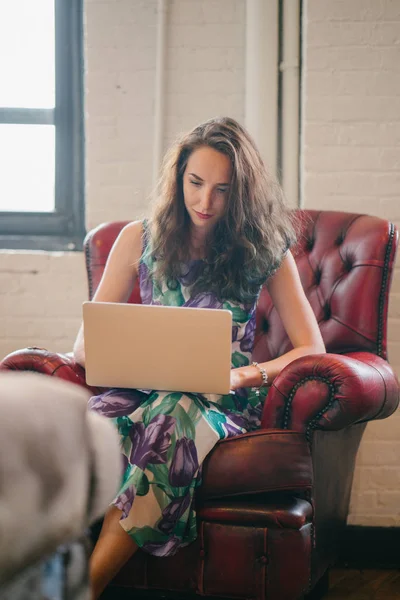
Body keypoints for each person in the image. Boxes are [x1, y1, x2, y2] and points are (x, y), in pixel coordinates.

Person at [73, 116, 325, 599]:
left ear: (242, 194)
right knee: (95, 420)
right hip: (141, 391)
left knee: (174, 414)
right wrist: (124, 363)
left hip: (220, 402)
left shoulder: (266, 250)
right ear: (178, 178)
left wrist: (241, 375)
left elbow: (311, 347)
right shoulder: (137, 238)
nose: (205, 202)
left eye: (222, 190)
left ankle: (84, 587)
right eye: (195, 183)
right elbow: (85, 343)